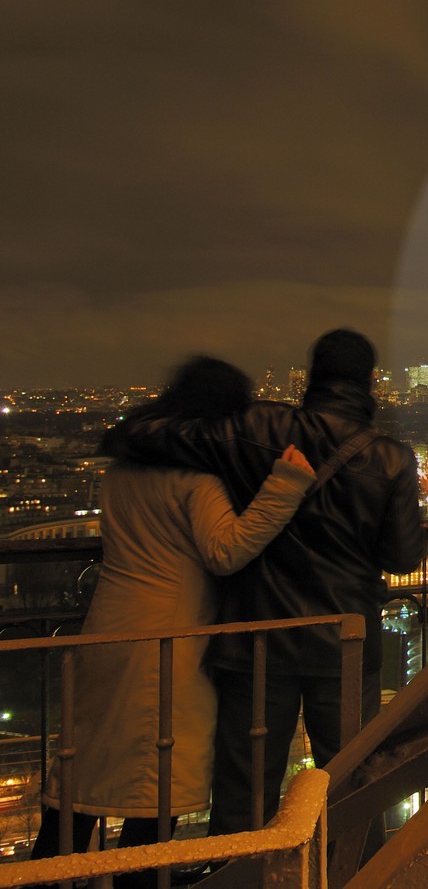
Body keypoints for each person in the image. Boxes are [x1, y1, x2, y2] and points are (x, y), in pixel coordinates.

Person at [106, 328, 425, 837]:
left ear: (311, 376)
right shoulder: (389, 457)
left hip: (257, 640)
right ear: (371, 382)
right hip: (342, 642)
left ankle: (240, 874)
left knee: (244, 797)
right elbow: (405, 557)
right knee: (351, 792)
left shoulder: (256, 426)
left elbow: (140, 438)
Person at [33, 357, 315, 886]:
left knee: (85, 765)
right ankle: (140, 879)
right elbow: (226, 551)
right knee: (154, 777)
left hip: (109, 623)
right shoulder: (193, 479)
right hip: (168, 634)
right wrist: (286, 484)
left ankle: (46, 877)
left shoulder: (123, 470)